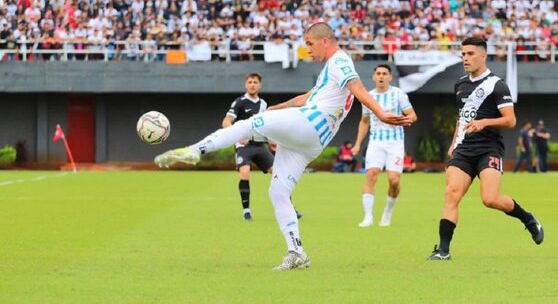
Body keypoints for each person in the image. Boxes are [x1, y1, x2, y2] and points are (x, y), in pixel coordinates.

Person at [154, 22, 411, 270]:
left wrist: (380, 113)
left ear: (325, 41)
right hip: (310, 141)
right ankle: (297, 251)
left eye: (310, 44)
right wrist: (276, 108)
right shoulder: (330, 70)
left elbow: (357, 87)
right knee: (278, 192)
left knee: (250, 123)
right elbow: (307, 98)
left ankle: (195, 150)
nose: (308, 50)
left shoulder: (340, 61)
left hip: (310, 124)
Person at [427, 37, 544, 261]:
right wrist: (454, 143)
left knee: (490, 199)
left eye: (470, 54)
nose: (465, 58)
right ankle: (443, 250)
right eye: (463, 54)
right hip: (464, 148)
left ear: (483, 56)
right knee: (451, 194)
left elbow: (510, 121)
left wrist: (485, 122)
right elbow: (462, 118)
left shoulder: (497, 85)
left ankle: (528, 218)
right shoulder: (460, 84)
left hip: (489, 148)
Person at [351, 64, 417, 227]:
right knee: (371, 174)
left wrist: (406, 120)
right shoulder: (368, 97)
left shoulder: (398, 94)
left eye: (384, 73)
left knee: (394, 180)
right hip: (376, 142)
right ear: (374, 77)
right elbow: (364, 121)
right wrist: (358, 144)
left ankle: (387, 212)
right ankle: (368, 217)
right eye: (378, 73)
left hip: (395, 143)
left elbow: (412, 115)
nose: (381, 76)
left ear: (390, 77)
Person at [221, 73, 272, 221]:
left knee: (278, 175)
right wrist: (235, 136)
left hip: (260, 145)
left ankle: (290, 208)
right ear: (245, 85)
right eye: (249, 82)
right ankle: (246, 210)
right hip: (244, 147)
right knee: (245, 173)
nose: (252, 84)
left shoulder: (263, 104)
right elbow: (226, 121)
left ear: (259, 85)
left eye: (255, 82)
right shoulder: (240, 102)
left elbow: (267, 125)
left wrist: (272, 140)